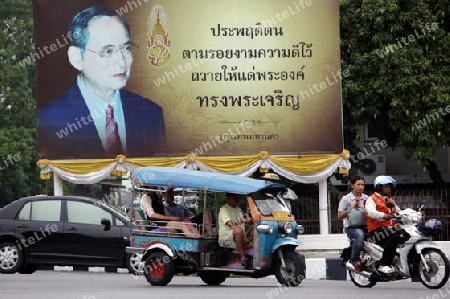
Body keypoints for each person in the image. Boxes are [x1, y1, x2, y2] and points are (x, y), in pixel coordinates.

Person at [37, 6, 166, 159]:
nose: (121, 62)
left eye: (125, 48)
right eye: (108, 51)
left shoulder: (151, 114)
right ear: (77, 58)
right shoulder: (48, 120)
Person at [365, 175, 402, 274]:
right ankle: (384, 264)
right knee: (392, 236)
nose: (388, 189)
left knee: (406, 233)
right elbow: (371, 212)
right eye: (385, 186)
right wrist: (384, 215)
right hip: (375, 230)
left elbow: (399, 211)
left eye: (389, 187)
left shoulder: (389, 200)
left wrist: (412, 214)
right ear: (378, 187)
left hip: (390, 228)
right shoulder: (371, 199)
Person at [337, 175, 369, 271]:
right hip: (351, 227)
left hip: (365, 225)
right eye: (358, 184)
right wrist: (350, 209)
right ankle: (355, 261)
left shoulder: (366, 198)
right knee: (360, 235)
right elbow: (339, 216)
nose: (361, 187)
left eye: (363, 185)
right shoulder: (346, 199)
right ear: (352, 185)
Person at [218, 193, 253, 268]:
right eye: (235, 198)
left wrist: (249, 222)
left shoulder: (238, 209)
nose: (237, 200)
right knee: (237, 230)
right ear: (228, 198)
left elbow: (244, 225)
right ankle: (243, 258)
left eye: (238, 198)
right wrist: (244, 220)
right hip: (225, 238)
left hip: (240, 236)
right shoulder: (224, 209)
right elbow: (230, 223)